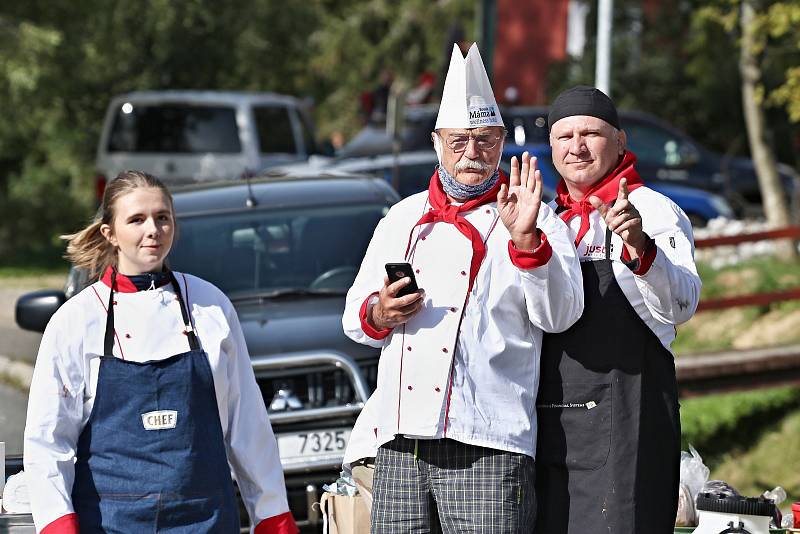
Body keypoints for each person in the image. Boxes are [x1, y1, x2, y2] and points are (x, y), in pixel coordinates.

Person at [341, 44, 584, 533]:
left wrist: (526, 242)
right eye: (459, 141)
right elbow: (355, 320)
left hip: (489, 440)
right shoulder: (402, 218)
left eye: (485, 141)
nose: (472, 153)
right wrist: (382, 311)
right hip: (401, 440)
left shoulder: (534, 216)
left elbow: (561, 315)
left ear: (500, 143)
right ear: (436, 142)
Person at [23, 171, 297, 534]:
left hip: (207, 518)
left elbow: (247, 423)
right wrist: (58, 525)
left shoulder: (210, 306)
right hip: (110, 522)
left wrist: (272, 514)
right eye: (136, 219)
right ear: (110, 233)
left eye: (162, 217)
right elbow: (49, 439)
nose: (152, 229)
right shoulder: (75, 321)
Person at [535, 86, 701, 534]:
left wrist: (642, 248)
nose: (577, 146)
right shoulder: (545, 220)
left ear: (621, 141)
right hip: (554, 427)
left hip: (629, 423)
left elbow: (681, 304)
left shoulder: (653, 210)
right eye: (564, 136)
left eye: (591, 133)